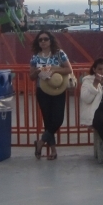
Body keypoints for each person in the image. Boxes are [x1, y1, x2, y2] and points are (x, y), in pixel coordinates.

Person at [29, 31, 73, 159]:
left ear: (51, 40)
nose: (43, 42)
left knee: (58, 119)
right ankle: (53, 151)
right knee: (48, 121)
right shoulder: (35, 57)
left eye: (45, 39)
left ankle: (40, 142)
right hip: (42, 91)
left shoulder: (59, 54)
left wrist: (53, 69)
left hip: (58, 89)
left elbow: (68, 69)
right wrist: (38, 71)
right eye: (40, 40)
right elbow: (31, 77)